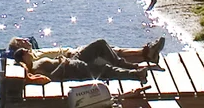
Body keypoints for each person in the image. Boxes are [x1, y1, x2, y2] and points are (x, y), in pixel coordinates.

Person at [8, 35, 164, 83]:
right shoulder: (35, 68)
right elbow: (51, 78)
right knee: (104, 70)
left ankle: (130, 66)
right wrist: (62, 65)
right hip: (71, 66)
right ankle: (136, 72)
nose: (27, 50)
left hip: (72, 58)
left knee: (101, 44)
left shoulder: (35, 57)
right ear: (22, 55)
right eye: (24, 50)